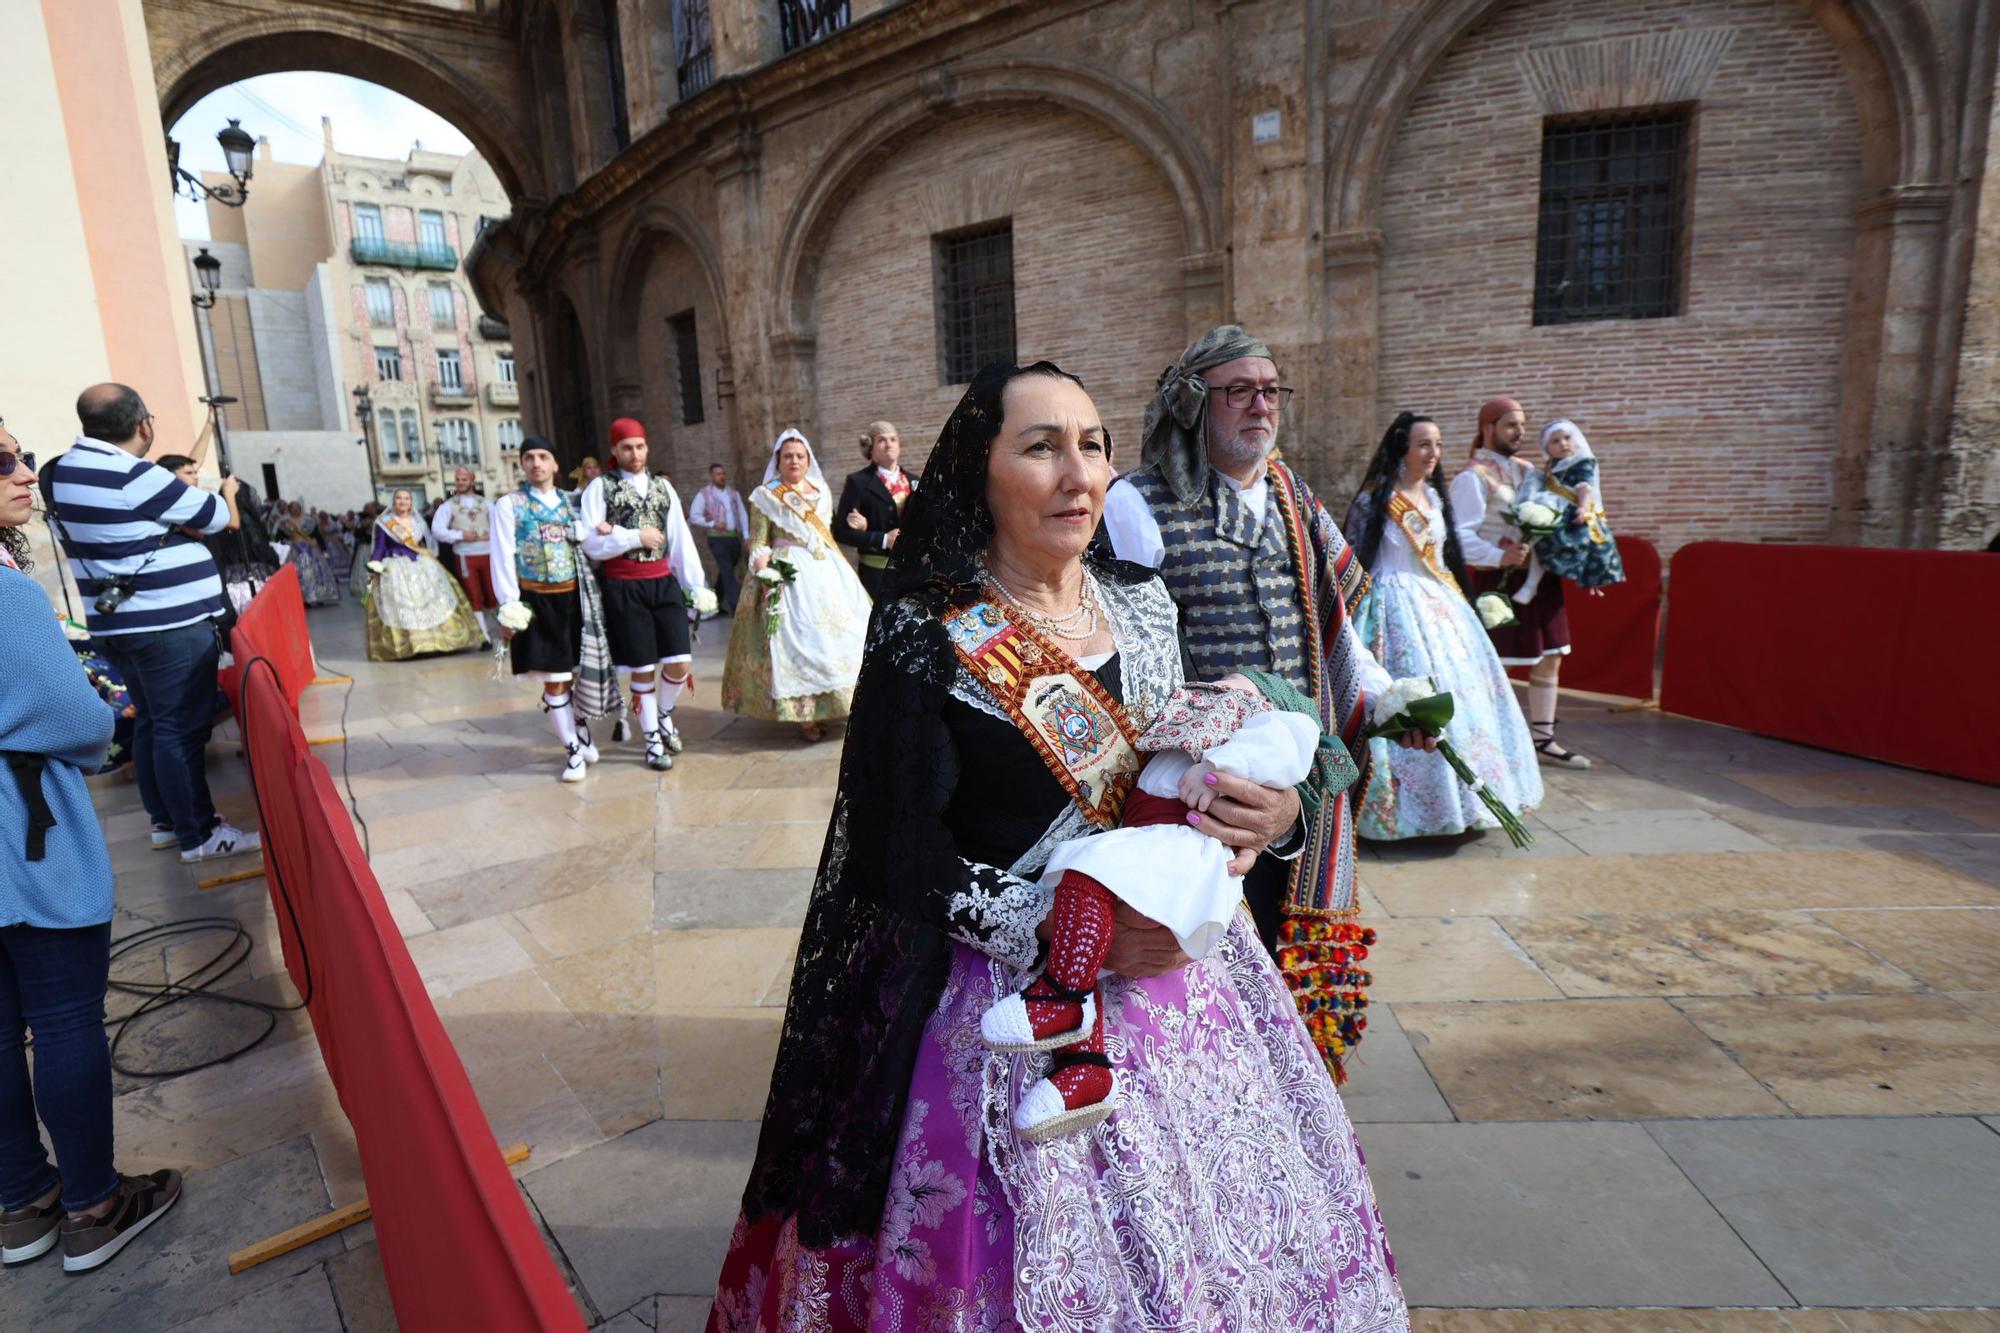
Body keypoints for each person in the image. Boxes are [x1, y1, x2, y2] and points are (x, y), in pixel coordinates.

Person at [709, 362, 1407, 1329]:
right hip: (1008, 996)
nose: (1077, 473)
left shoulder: (1146, 604)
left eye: (1093, 444)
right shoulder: (927, 634)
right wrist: (1060, 934)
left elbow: (1195, 754)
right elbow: (893, 849)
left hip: (1190, 982)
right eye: (1040, 446)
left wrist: (1272, 815)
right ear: (979, 472)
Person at [1101, 326, 1430, 1079]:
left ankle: (1300, 1092)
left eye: (1271, 389)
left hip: (1302, 777)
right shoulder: (1134, 504)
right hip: (1198, 785)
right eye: (1239, 390)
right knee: (1201, 965)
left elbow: (1336, 624)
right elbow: (1124, 653)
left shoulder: (1294, 496)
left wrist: (1384, 704)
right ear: (1194, 402)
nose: (1261, 405)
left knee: (1295, 947)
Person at [983, 673, 1323, 1140]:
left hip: (1181, 840)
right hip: (1150, 838)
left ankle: (1062, 997)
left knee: (1088, 873)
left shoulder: (1261, 723)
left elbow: (1288, 749)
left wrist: (1221, 770)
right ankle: (1083, 1068)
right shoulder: (1192, 721)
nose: (1218, 686)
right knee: (1092, 950)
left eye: (1235, 685)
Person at [0, 431, 187, 1275]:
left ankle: (20, 1201)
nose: (23, 472)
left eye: (20, 453)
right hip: (22, 831)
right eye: (2, 460)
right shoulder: (7, 593)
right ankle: (93, 1204)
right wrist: (95, 716)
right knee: (66, 1017)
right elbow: (77, 719)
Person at [42, 385, 258, 864]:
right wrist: (219, 497)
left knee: (154, 724)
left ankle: (166, 823)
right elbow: (218, 516)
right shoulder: (129, 473)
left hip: (119, 626)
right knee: (180, 731)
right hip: (167, 626)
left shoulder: (62, 471)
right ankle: (199, 834)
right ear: (143, 425)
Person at [1343, 412, 1543, 840]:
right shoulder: (1375, 500)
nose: (1433, 454)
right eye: (1423, 445)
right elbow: (1354, 559)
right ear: (1402, 450)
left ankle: (1470, 800)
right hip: (1389, 606)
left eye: (1437, 445)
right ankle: (1391, 811)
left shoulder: (1435, 497)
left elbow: (1447, 556)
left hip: (1443, 607)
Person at [1449, 397, 1591, 769]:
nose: (1520, 433)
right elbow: (1457, 536)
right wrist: (1499, 556)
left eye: (1522, 425)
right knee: (1501, 665)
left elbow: (1562, 509)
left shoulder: (1530, 471)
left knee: (1551, 657)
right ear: (1488, 428)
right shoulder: (1472, 478)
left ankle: (1544, 739)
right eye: (1511, 425)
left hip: (1540, 578)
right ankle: (1494, 742)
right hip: (1502, 580)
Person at [719, 430, 869, 743]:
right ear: (778, 461)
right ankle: (805, 714)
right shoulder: (766, 495)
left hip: (826, 571)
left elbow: (826, 533)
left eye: (800, 456)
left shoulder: (821, 491)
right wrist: (762, 565)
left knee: (842, 634)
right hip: (788, 572)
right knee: (799, 637)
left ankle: (843, 702)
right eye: (788, 456)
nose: (794, 461)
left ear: (808, 459)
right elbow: (759, 540)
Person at [579, 418, 710, 771]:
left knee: (679, 661)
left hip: (662, 581)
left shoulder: (663, 488)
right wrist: (633, 537)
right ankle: (652, 741)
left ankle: (664, 714)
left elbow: (679, 538)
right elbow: (591, 544)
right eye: (626, 448)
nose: (634, 454)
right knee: (642, 668)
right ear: (614, 451)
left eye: (639, 447)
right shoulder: (599, 489)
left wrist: (695, 586)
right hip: (623, 586)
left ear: (647, 447)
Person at [491, 438, 598, 783]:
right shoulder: (510, 505)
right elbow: (503, 554)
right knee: (554, 680)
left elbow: (595, 543)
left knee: (577, 675)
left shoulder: (575, 503)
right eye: (529, 458)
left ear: (555, 465)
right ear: (523, 465)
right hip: (536, 598)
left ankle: (580, 730)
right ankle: (571, 750)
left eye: (543, 457)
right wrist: (509, 604)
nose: (536, 463)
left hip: (573, 598)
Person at [363, 489, 484, 661]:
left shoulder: (417, 521)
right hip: (395, 565)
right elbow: (380, 547)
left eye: (406, 498)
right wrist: (374, 565)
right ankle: (413, 645)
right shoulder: (384, 522)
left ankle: (440, 642)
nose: (403, 501)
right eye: (399, 498)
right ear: (393, 501)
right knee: (402, 604)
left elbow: (425, 543)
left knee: (436, 599)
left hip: (420, 562)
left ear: (411, 502)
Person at [156, 454, 278, 615]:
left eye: (195, 472)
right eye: (188, 473)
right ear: (170, 476)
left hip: (212, 572)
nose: (195, 477)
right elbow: (233, 523)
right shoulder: (178, 502)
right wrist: (229, 494)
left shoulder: (190, 498)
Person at [1525, 418, 1624, 591]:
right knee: (1537, 539)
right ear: (1546, 447)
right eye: (1555, 441)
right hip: (1554, 508)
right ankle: (1532, 584)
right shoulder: (1551, 466)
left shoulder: (1582, 460)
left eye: (1567, 438)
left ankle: (1586, 578)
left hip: (1572, 511)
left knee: (1575, 544)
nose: (1563, 444)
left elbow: (1586, 487)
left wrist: (1582, 508)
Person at [835, 420, 916, 601]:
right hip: (876, 573)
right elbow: (840, 532)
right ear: (870, 449)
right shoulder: (859, 482)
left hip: (913, 570)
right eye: (881, 440)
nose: (889, 444)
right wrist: (883, 539)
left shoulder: (915, 481)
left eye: (893, 439)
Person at [430, 466, 497, 645]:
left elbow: (499, 525)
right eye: (457, 479)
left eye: (464, 479)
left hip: (488, 554)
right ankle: (484, 636)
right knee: (474, 595)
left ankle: (488, 626)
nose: (460, 483)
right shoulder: (448, 506)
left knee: (492, 596)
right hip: (465, 556)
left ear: (472, 481)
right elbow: (437, 530)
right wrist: (460, 535)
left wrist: (494, 536)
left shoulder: (487, 503)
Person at [687, 462, 749, 615]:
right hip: (717, 539)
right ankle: (736, 607)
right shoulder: (704, 494)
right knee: (727, 571)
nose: (721, 477)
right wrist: (713, 523)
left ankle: (715, 601)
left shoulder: (733, 493)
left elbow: (742, 513)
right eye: (718, 474)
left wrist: (746, 535)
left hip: (733, 538)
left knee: (726, 570)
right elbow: (694, 516)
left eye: (723, 474)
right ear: (711, 476)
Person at [277, 501, 342, 607]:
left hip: (311, 551)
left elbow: (317, 535)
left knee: (317, 573)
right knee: (299, 575)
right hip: (294, 552)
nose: (296, 509)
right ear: (289, 509)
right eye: (293, 508)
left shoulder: (309, 521)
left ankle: (318, 596)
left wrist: (323, 549)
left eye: (297, 507)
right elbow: (279, 538)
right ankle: (303, 599)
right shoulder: (285, 523)